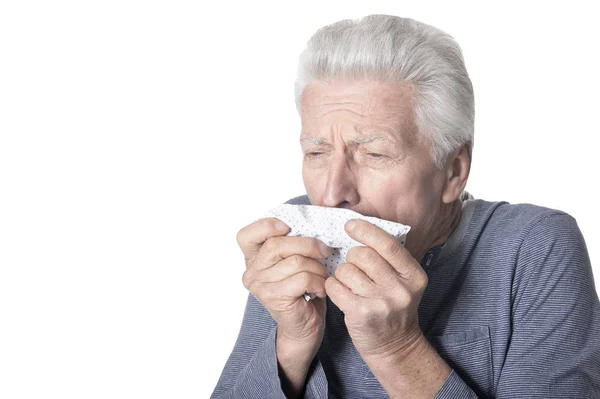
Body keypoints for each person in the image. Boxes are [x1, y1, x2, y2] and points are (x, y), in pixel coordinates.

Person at [212, 14, 600, 398]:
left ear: (453, 170)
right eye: (316, 151)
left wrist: (397, 349)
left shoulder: (535, 247)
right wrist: (291, 342)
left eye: (374, 154)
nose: (332, 194)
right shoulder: (297, 234)